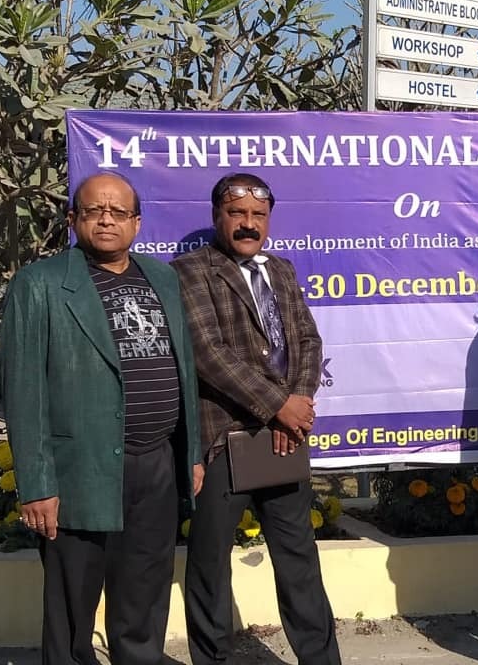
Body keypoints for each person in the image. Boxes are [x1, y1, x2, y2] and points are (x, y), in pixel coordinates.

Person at [0, 172, 204, 665]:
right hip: (80, 472)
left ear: (137, 223)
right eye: (93, 211)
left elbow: (184, 369)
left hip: (156, 464)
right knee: (72, 612)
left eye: (118, 212)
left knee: (144, 600)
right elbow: (23, 391)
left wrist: (191, 454)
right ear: (73, 219)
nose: (106, 220)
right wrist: (37, 484)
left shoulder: (162, 278)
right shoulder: (40, 285)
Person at [171, 173, 341, 665]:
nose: (248, 224)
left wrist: (298, 403)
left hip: (283, 440)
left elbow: (307, 340)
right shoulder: (189, 271)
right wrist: (278, 407)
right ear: (216, 216)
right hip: (223, 441)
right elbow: (208, 353)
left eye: (258, 215)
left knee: (299, 560)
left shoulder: (281, 270)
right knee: (210, 565)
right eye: (237, 213)